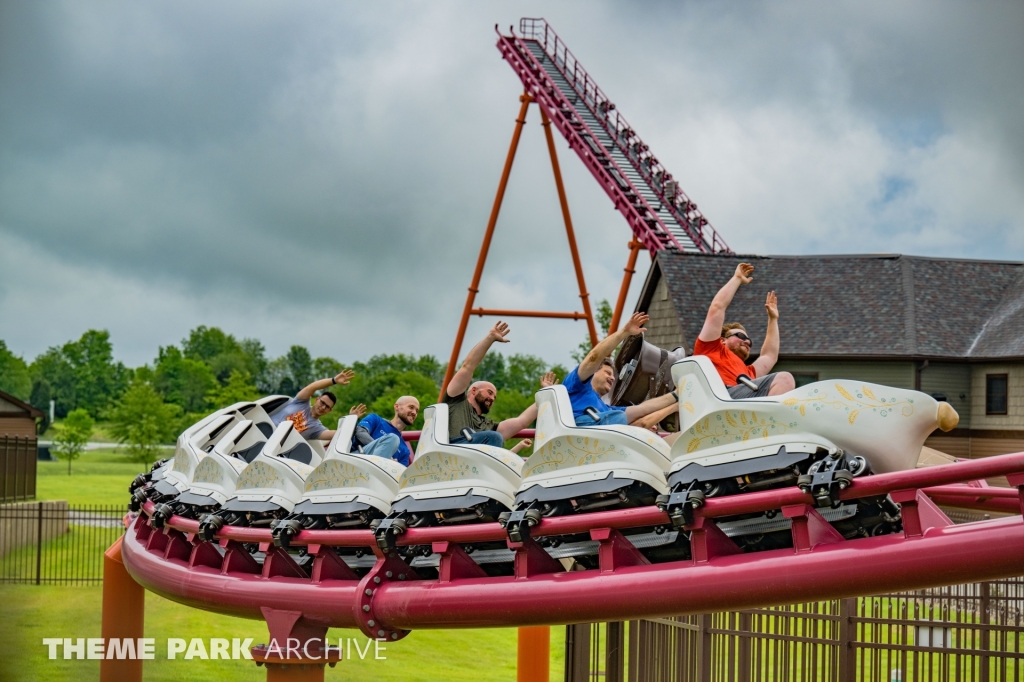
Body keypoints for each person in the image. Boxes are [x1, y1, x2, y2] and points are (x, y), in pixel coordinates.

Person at [564, 312, 681, 439]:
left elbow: (642, 409)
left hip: (601, 443)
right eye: (608, 373)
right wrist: (625, 332)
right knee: (621, 418)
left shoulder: (608, 409)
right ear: (594, 372)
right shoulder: (576, 386)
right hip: (580, 437)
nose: (613, 378)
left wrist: (676, 395)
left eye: (613, 375)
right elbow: (593, 357)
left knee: (627, 418)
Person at [443, 321, 555, 447]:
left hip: (475, 461)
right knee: (494, 437)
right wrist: (490, 338)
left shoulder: (489, 426)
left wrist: (546, 394)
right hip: (454, 452)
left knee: (495, 438)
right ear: (473, 390)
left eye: (494, 397)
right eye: (489, 393)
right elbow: (467, 367)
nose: (492, 398)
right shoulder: (455, 402)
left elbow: (521, 422)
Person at [694, 263, 795, 398]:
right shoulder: (711, 349)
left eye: (749, 340)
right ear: (722, 340)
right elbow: (717, 308)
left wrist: (773, 319)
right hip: (719, 396)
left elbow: (769, 356)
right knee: (784, 378)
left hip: (742, 400)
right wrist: (737, 279)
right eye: (740, 336)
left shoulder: (749, 373)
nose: (746, 341)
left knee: (785, 384)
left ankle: (763, 417)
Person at [271, 370, 354, 441]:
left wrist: (351, 419)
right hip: (266, 428)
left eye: (327, 407)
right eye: (322, 403)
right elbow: (312, 387)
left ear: (329, 411)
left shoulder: (317, 429)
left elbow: (339, 434)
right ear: (317, 399)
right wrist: (333, 380)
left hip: (274, 447)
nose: (323, 407)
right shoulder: (301, 402)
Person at [352, 396, 419, 466]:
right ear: (397, 407)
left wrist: (394, 466)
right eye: (411, 407)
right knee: (393, 439)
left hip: (377, 475)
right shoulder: (375, 419)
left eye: (417, 411)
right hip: (357, 462)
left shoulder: (405, 451)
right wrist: (387, 457)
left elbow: (399, 474)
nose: (414, 412)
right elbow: (360, 433)